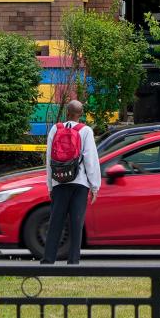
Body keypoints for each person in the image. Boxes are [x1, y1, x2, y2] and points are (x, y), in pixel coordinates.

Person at [42, 100, 100, 265]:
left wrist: (50, 185)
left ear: (67, 112)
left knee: (55, 222)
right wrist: (95, 186)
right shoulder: (85, 131)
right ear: (80, 115)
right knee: (76, 222)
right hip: (79, 183)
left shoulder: (55, 129)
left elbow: (49, 159)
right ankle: (73, 261)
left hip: (59, 182)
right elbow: (91, 160)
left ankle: (48, 260)